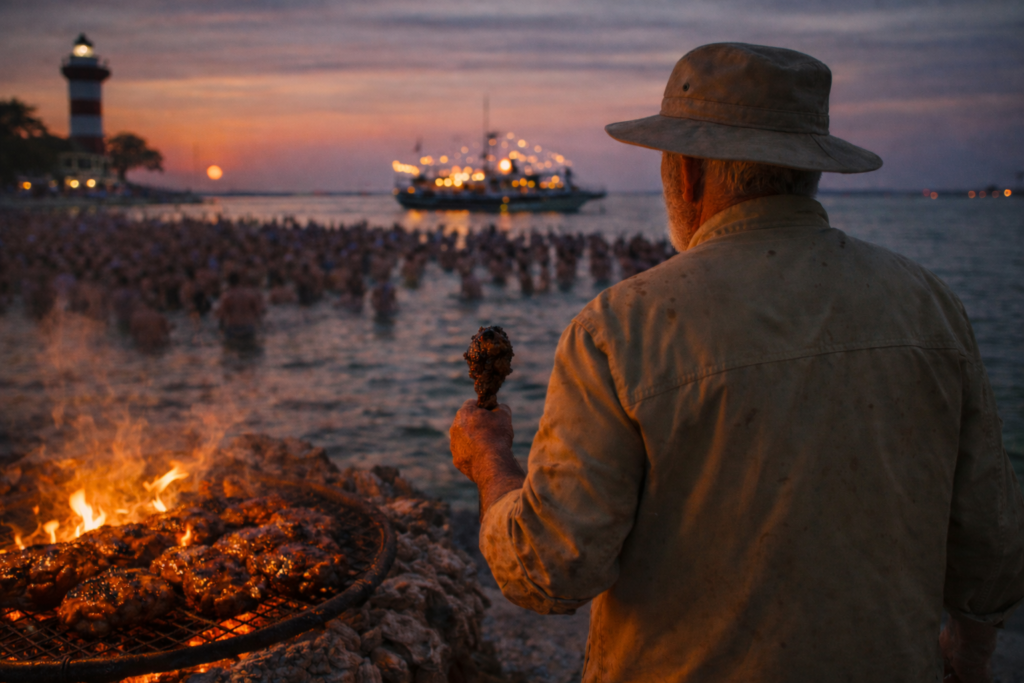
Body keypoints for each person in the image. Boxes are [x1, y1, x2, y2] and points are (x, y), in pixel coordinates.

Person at [449, 43, 1024, 683]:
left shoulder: (618, 327)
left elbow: (550, 572)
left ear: (686, 173)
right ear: (810, 168)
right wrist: (968, 655)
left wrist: (490, 462)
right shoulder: (932, 305)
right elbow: (992, 543)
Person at [216, 271, 265, 343]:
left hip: (233, 329)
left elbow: (222, 316)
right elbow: (258, 313)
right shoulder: (249, 295)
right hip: (249, 328)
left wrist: (221, 330)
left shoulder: (226, 297)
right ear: (239, 281)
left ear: (228, 282)